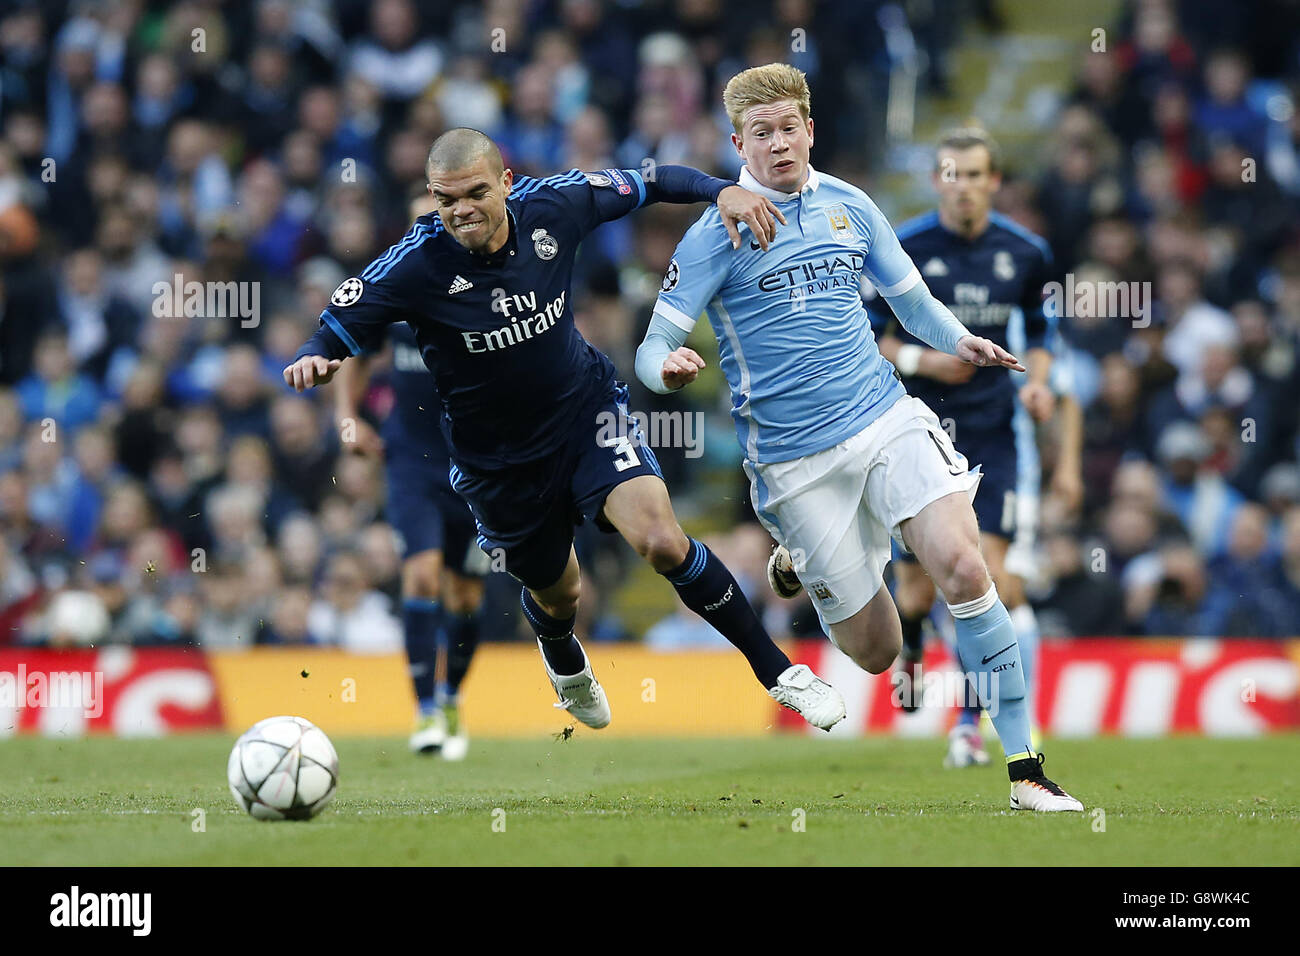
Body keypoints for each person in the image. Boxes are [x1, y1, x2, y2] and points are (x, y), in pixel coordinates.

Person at [284, 127, 845, 733]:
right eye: (446, 200)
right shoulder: (417, 262)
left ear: (506, 182)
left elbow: (653, 180)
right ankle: (560, 653)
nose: (462, 210)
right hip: (497, 463)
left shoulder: (555, 204)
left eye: (475, 192)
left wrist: (720, 192)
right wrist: (316, 354)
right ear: (432, 197)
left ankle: (779, 673)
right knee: (559, 596)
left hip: (586, 414)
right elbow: (342, 313)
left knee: (660, 538)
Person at [635, 64, 1082, 811]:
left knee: (967, 570)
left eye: (789, 128)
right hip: (795, 463)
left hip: (886, 420)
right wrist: (670, 365)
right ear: (737, 141)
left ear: (810, 130)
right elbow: (653, 348)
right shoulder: (716, 233)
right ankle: (798, 561)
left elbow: (914, 302)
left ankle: (1025, 768)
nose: (778, 144)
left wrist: (962, 340)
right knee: (875, 651)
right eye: (761, 133)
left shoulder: (852, 206)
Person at [869, 126, 1081, 768]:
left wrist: (1039, 386)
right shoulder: (902, 246)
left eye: (976, 175)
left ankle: (967, 724)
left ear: (994, 182)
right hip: (917, 429)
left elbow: (1041, 332)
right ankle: (909, 646)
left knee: (988, 581)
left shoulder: (1027, 253)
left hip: (994, 434)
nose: (963, 187)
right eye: (951, 175)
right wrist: (923, 363)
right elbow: (869, 336)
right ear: (937, 181)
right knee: (918, 595)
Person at [333, 279, 487, 759]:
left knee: (465, 595)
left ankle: (451, 697)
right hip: (410, 464)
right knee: (421, 576)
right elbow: (353, 349)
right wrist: (348, 417)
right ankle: (424, 712)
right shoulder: (397, 295)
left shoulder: (486, 301)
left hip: (477, 465)